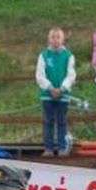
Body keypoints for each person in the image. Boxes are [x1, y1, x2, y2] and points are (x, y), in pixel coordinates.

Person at [36, 27, 76, 157]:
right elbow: (40, 75)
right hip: (47, 95)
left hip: (63, 95)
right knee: (48, 121)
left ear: (62, 39)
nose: (55, 40)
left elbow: (71, 74)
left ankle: (62, 147)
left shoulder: (68, 56)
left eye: (58, 37)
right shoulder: (43, 55)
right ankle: (48, 148)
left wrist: (62, 88)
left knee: (62, 121)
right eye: (53, 37)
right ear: (49, 39)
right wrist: (50, 88)